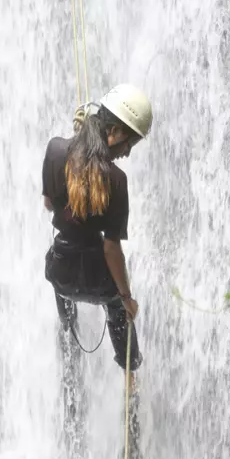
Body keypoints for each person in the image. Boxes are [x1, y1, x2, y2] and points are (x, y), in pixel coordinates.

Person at [41, 83, 152, 377]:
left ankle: (66, 323)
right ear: (114, 132)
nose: (127, 153)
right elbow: (111, 249)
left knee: (56, 272)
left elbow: (49, 204)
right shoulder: (117, 180)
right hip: (97, 280)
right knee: (117, 305)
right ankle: (131, 368)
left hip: (61, 271)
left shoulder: (54, 150)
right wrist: (128, 298)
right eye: (129, 144)